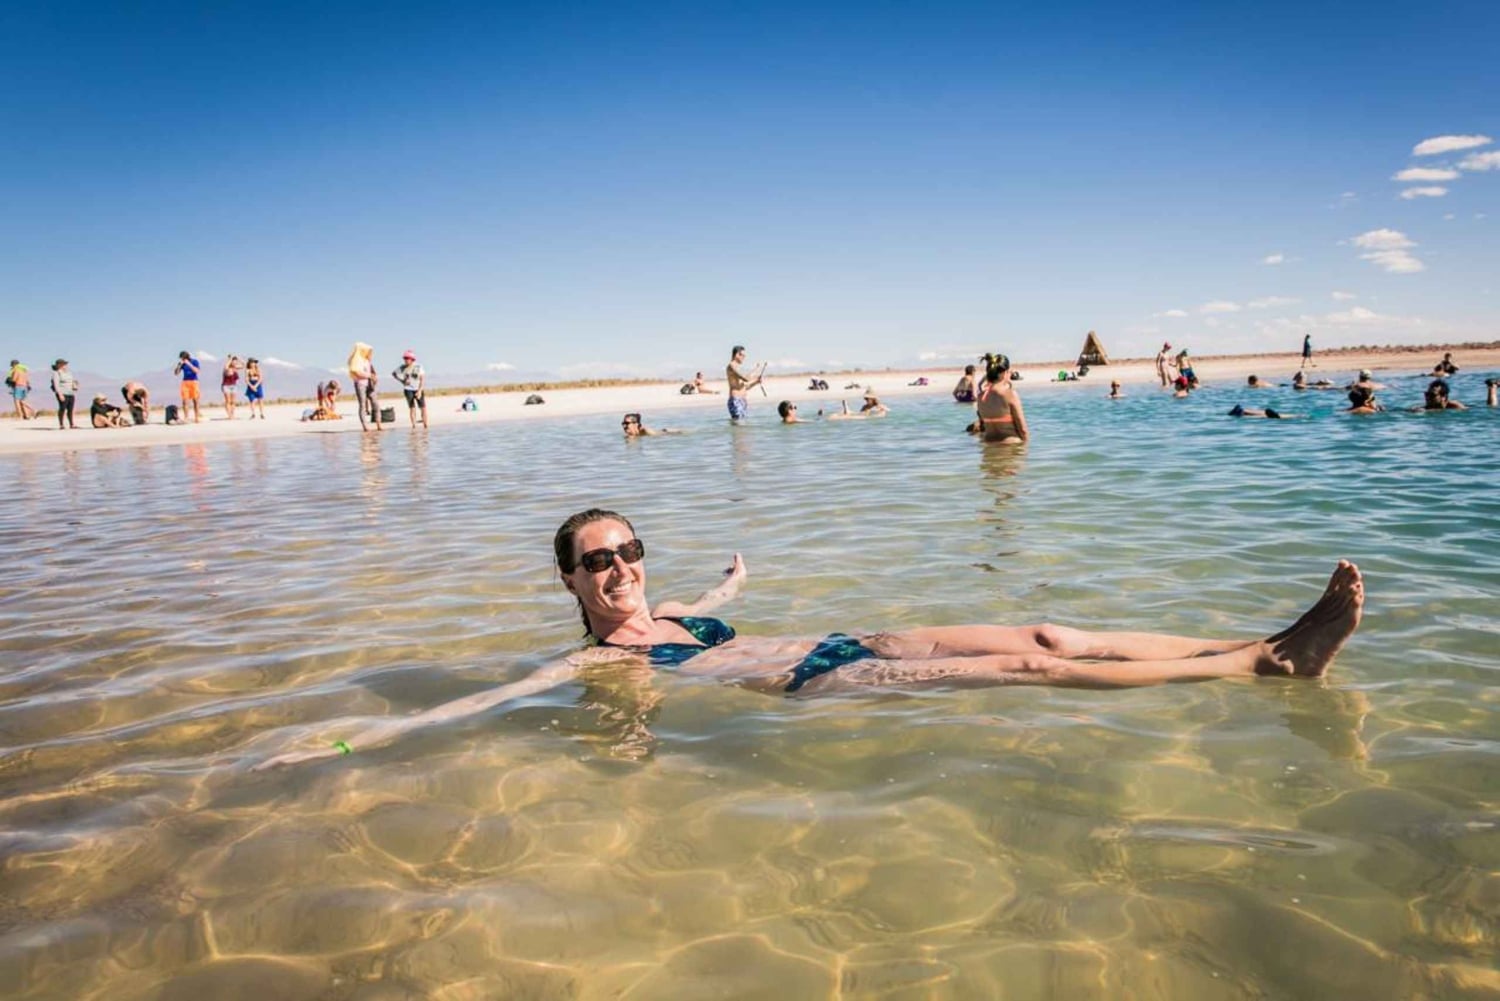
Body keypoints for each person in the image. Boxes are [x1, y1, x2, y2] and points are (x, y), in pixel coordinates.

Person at [255, 509, 1365, 770]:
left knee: (1045, 623)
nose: (622, 564)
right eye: (599, 559)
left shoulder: (671, 608)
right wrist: (343, 745)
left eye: (630, 545)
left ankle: (1248, 634)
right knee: (1031, 667)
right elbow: (474, 706)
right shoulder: (595, 659)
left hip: (848, 631)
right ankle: (1271, 661)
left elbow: (689, 591)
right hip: (817, 682)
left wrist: (731, 580)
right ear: (570, 580)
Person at [975, 353, 1027, 442]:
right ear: (1003, 373)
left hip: (989, 447)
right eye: (1009, 371)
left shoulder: (981, 397)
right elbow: (1023, 430)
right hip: (1010, 446)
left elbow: (983, 426)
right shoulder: (1010, 395)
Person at [347, 342, 383, 431]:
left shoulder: (367, 361)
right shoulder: (356, 361)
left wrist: (374, 378)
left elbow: (372, 372)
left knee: (376, 404)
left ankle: (379, 425)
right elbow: (357, 373)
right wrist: (369, 376)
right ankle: (365, 426)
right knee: (362, 405)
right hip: (360, 384)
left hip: (370, 385)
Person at [724, 345, 764, 423]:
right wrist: (756, 369)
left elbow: (745, 387)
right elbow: (746, 379)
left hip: (742, 401)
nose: (744, 358)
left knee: (742, 429)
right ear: (737, 355)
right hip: (736, 401)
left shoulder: (737, 367)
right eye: (743, 355)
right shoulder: (731, 366)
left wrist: (756, 382)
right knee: (739, 426)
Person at [392, 350, 428, 429]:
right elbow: (394, 374)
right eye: (405, 358)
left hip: (418, 388)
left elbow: (422, 379)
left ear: (412, 359)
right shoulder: (402, 367)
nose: (406, 360)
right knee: (412, 408)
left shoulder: (418, 367)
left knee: (423, 407)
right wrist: (402, 381)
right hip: (408, 389)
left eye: (407, 358)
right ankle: (414, 426)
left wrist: (419, 390)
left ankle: (425, 425)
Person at [50, 359, 78, 429]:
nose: (65, 366)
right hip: (62, 392)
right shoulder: (56, 373)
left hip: (70, 393)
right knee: (62, 408)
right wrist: (60, 394)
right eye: (64, 364)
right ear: (59, 365)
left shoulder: (69, 373)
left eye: (65, 364)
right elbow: (56, 384)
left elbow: (72, 381)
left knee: (70, 409)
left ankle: (72, 424)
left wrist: (74, 386)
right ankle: (61, 424)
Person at [174, 351, 202, 423]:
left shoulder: (194, 361)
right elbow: (176, 373)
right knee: (185, 401)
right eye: (181, 358)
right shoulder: (182, 364)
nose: (182, 359)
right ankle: (186, 417)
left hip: (194, 382)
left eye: (183, 358)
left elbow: (196, 371)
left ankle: (196, 417)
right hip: (185, 382)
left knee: (195, 400)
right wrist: (179, 366)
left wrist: (188, 364)